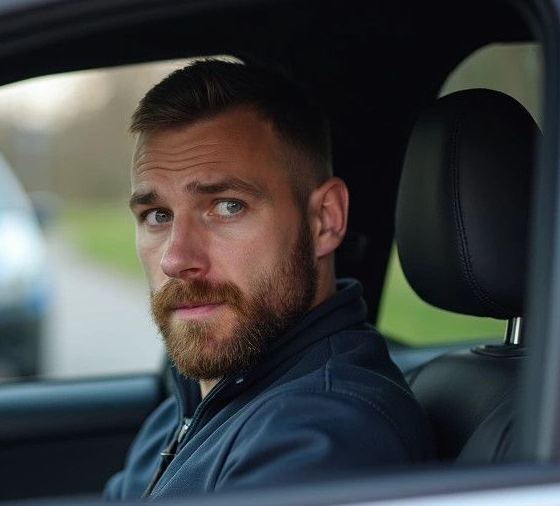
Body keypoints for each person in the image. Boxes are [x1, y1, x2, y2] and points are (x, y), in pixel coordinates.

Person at [104, 59, 434, 500]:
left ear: (325, 220)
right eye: (158, 215)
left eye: (227, 206)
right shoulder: (191, 402)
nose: (176, 259)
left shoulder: (325, 439)